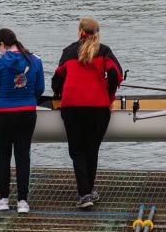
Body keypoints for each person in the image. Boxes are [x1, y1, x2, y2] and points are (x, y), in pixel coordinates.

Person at [52, 17, 123, 209]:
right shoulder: (104, 51)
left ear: (79, 31)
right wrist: (108, 96)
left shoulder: (68, 52)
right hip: (98, 107)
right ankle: (89, 191)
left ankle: (85, 194)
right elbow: (117, 74)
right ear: (96, 33)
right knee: (92, 150)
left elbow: (56, 80)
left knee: (77, 151)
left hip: (72, 106)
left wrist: (60, 92)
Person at [0, 28, 46, 213]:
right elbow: (40, 89)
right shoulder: (35, 60)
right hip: (27, 112)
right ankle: (22, 201)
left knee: (2, 155)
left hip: (3, 113)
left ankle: (3, 199)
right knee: (23, 154)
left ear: (2, 45)